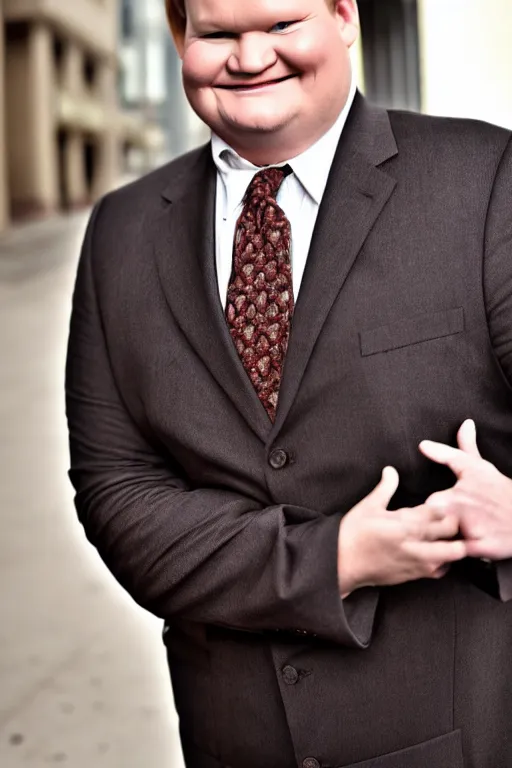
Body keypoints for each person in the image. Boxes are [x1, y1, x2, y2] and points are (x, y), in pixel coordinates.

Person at [65, 0, 512, 765]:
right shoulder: (122, 229)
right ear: (181, 38)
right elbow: (117, 489)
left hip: (459, 729)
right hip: (237, 734)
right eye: (217, 34)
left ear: (344, 15)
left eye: (279, 24)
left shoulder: (483, 182)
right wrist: (337, 558)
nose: (248, 57)